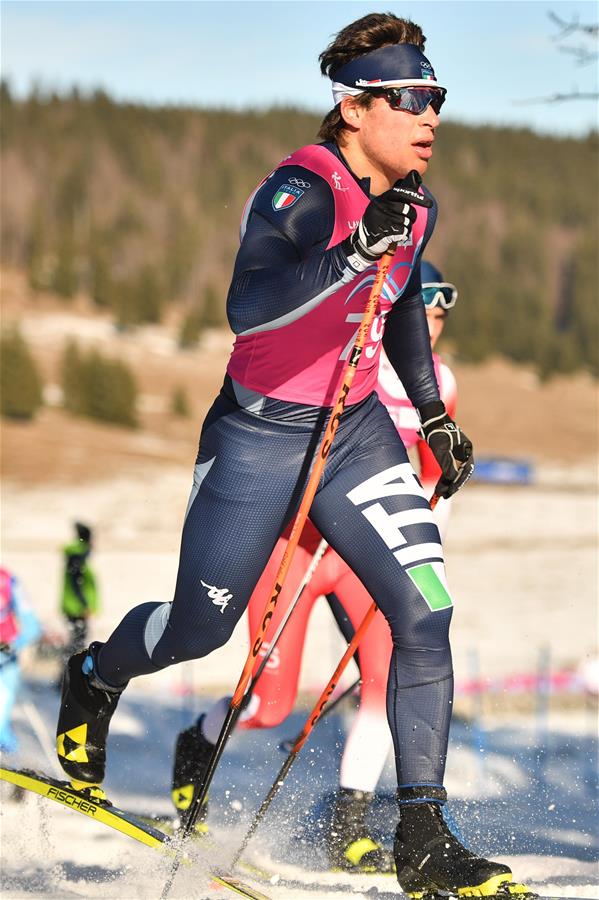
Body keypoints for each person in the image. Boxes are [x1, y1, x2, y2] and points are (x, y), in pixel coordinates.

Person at [56, 13, 526, 895]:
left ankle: (421, 837)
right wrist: (353, 249)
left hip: (353, 433)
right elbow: (249, 304)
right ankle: (96, 674)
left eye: (438, 99)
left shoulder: (414, 205)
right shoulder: (302, 187)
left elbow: (392, 319)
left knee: (423, 613)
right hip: (259, 435)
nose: (431, 117)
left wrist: (431, 417)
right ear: (355, 109)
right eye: (412, 99)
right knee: (202, 628)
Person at [171, 261, 459, 876]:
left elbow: (432, 480)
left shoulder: (442, 381)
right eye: (425, 308)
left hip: (363, 556)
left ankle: (347, 824)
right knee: (271, 705)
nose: (432, 323)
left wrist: (425, 543)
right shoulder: (351, 361)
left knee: (389, 676)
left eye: (439, 315)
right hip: (297, 548)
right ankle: (198, 740)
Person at [0, 566, 41, 753]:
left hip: (5, 661)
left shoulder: (8, 580)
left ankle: (11, 767)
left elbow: (32, 625)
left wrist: (12, 645)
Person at [59, 522, 100, 662]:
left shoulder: (76, 554)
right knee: (77, 644)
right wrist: (85, 605)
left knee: (76, 642)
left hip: (74, 606)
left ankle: (66, 675)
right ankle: (67, 676)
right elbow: (77, 583)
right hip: (76, 607)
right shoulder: (78, 555)